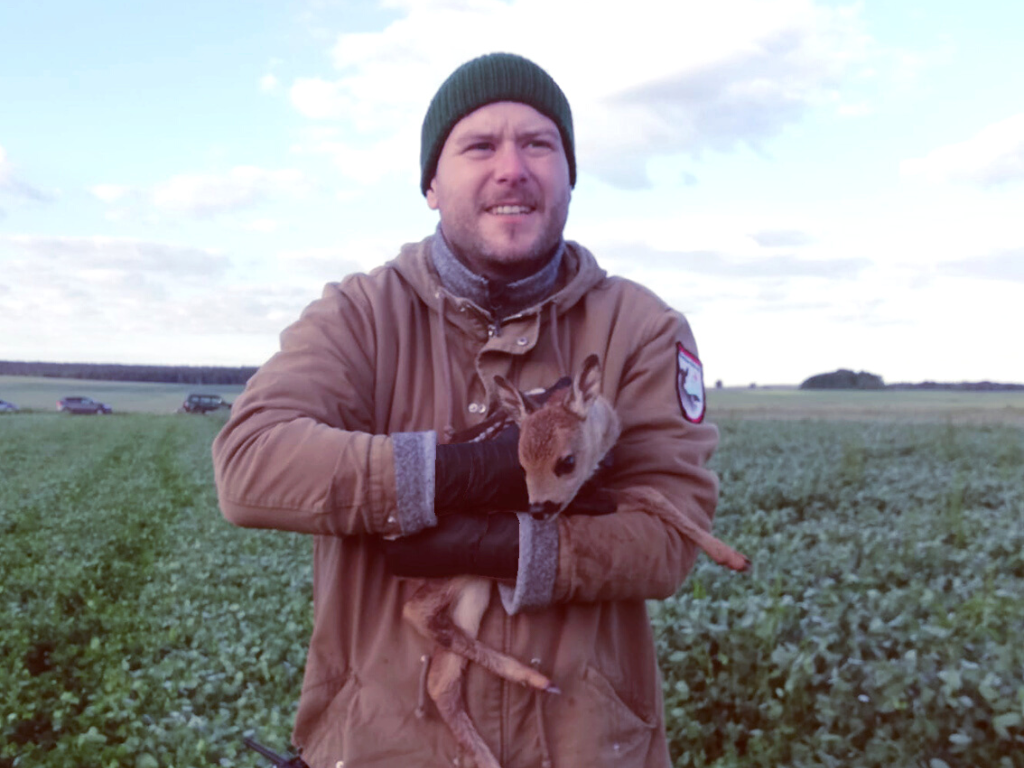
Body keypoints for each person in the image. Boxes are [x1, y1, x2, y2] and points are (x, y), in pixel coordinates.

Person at [212, 52, 720, 768]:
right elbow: (250, 464)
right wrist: (448, 474)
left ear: (569, 174)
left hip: (588, 747)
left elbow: (671, 536)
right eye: (478, 145)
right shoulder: (359, 316)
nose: (512, 168)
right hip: (379, 747)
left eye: (539, 144)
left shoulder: (642, 329)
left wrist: (515, 547)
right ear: (429, 182)